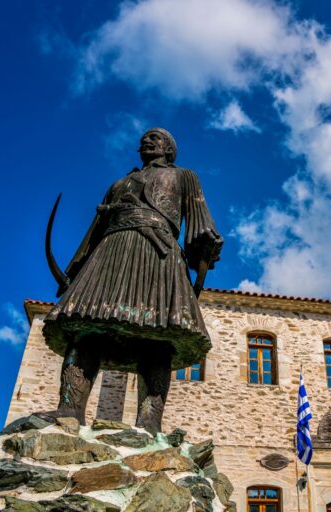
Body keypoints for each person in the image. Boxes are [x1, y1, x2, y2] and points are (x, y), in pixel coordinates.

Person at [40, 128, 222, 434]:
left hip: (158, 254)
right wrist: (76, 269)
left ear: (169, 149)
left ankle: (149, 424)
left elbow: (200, 220)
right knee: (86, 328)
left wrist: (205, 248)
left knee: (159, 339)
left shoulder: (184, 176)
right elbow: (94, 231)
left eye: (155, 138)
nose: (147, 141)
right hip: (112, 251)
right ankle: (68, 411)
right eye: (145, 138)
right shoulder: (119, 183)